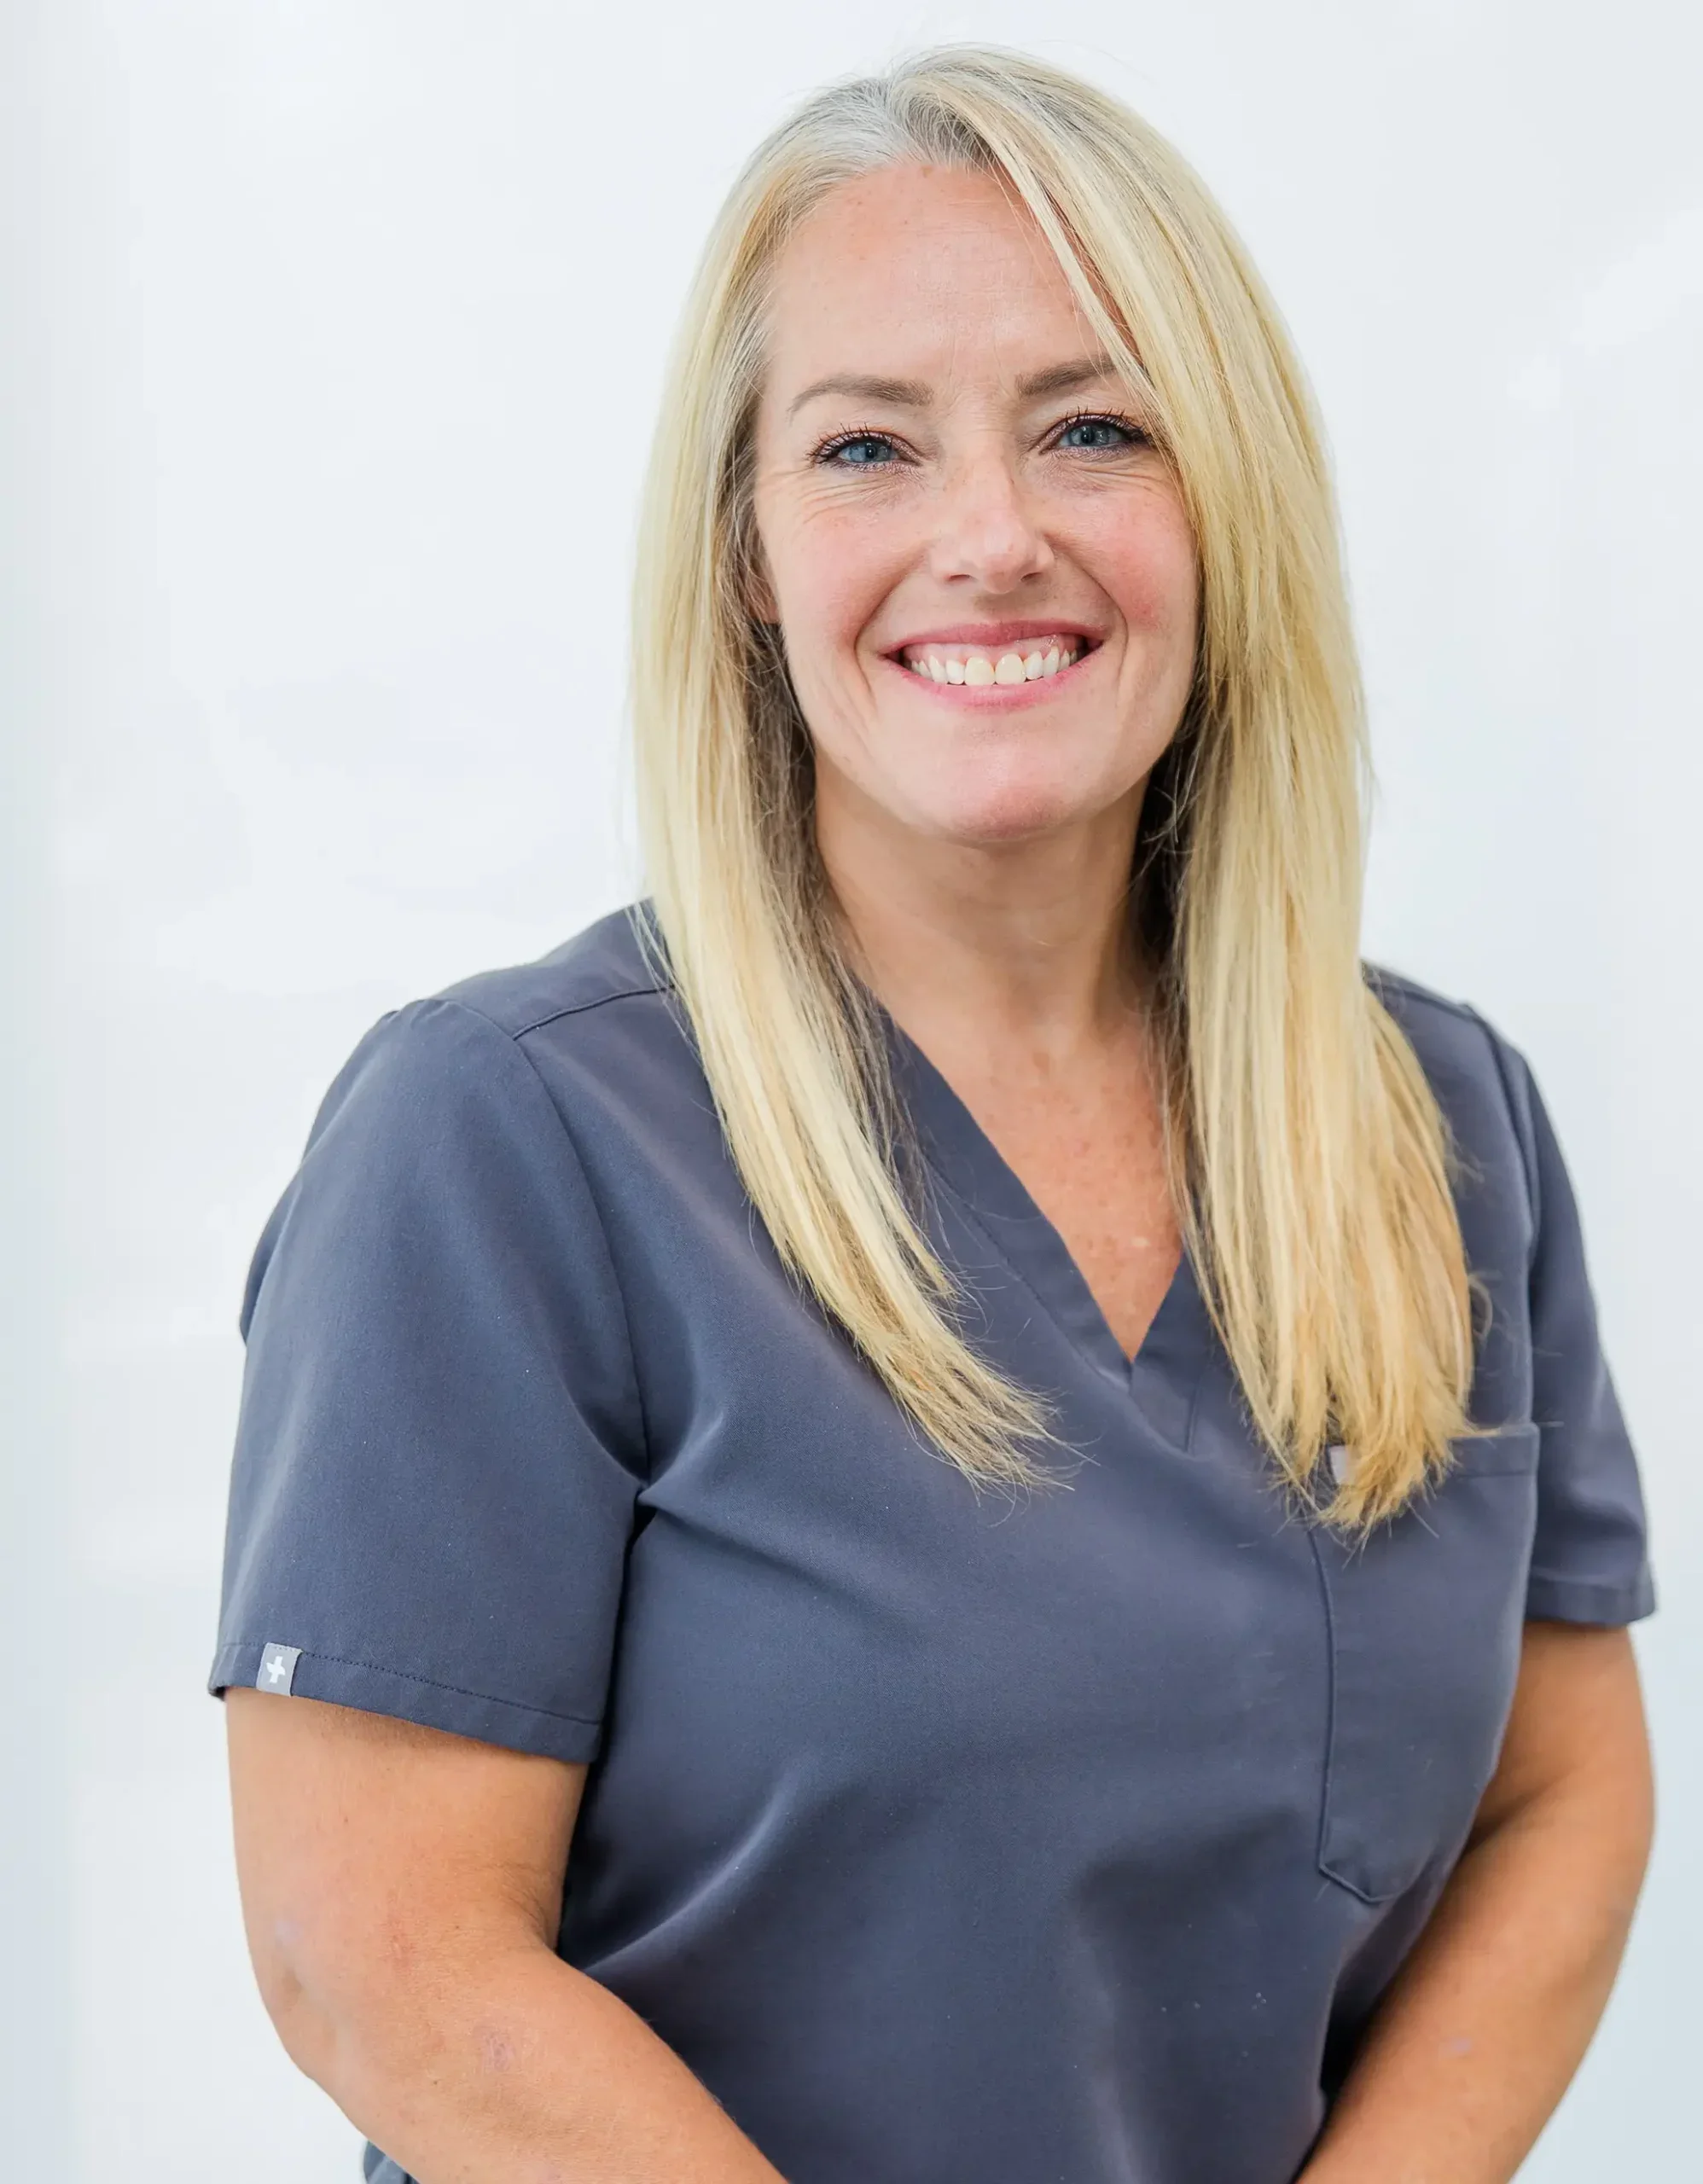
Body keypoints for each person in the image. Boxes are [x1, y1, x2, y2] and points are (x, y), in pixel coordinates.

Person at [211, 44, 1656, 2184]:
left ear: (1224, 505)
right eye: (865, 447)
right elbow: (377, 1953)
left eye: (1092, 429)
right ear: (746, 554)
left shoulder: (1436, 1123)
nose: (989, 537)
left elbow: (1563, 1791)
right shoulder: (505, 1141)